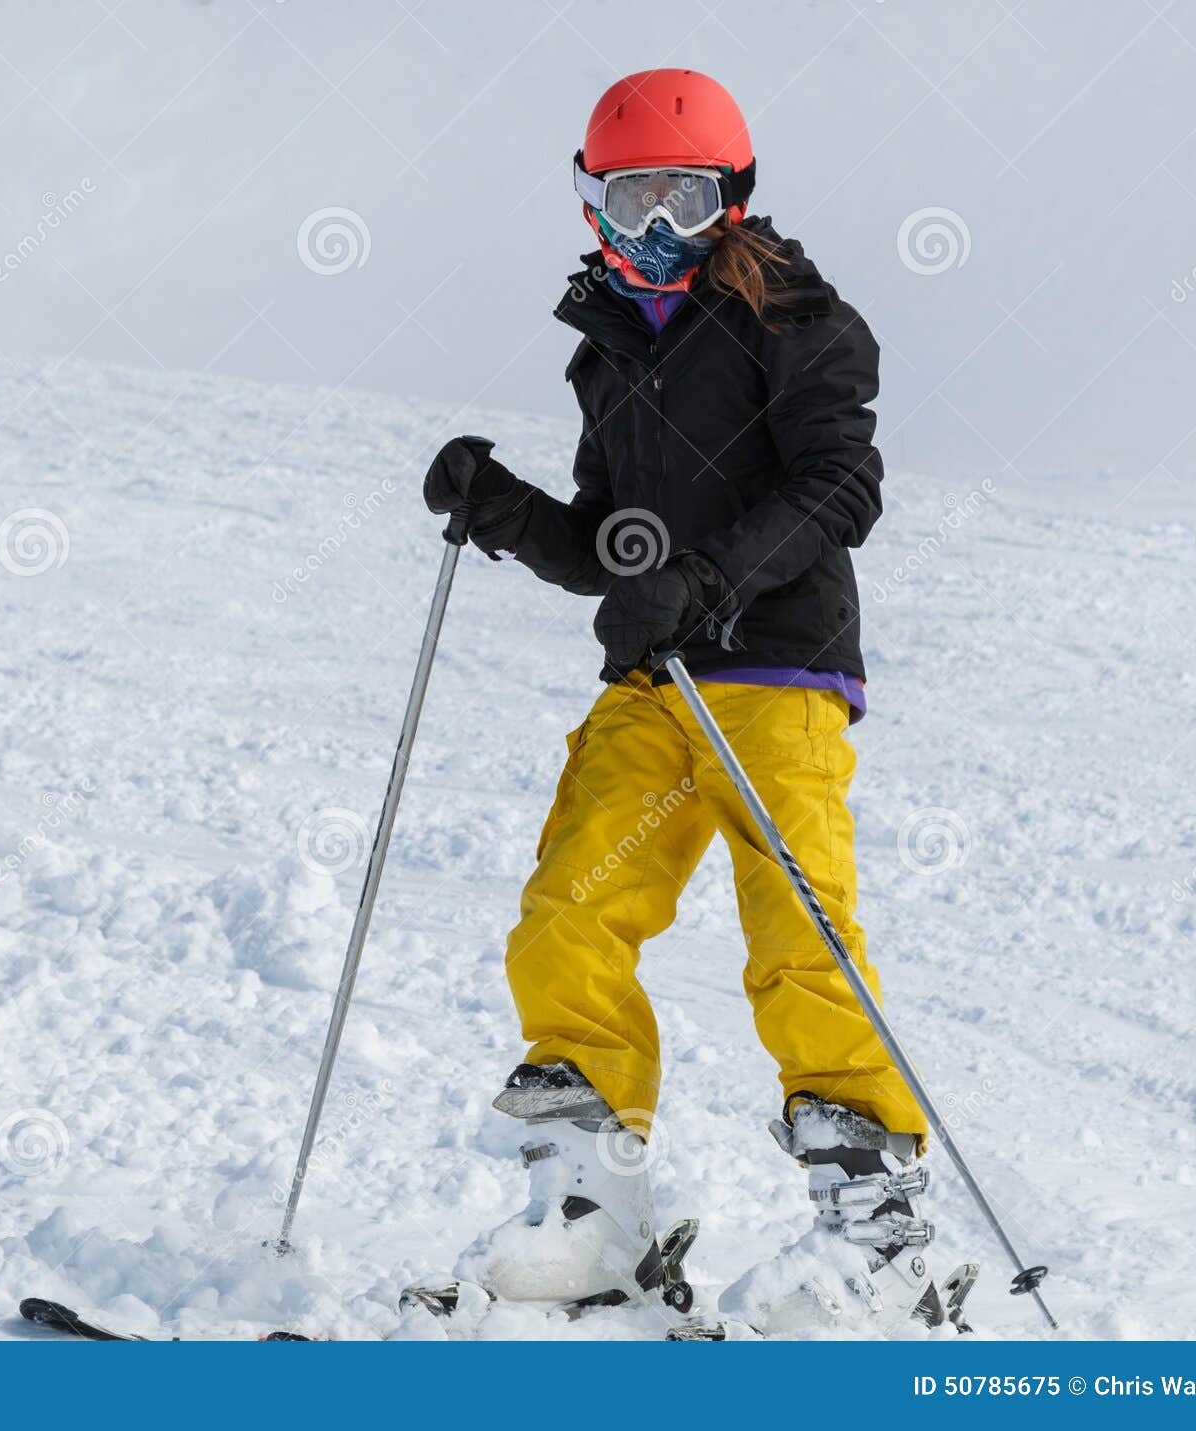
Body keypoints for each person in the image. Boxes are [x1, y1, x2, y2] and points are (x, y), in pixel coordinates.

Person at [421, 69, 943, 1333]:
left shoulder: (802, 321)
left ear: (734, 200)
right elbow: (614, 546)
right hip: (654, 686)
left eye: (685, 196)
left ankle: (877, 1237)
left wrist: (704, 583)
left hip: (773, 671)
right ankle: (591, 1220)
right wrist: (508, 515)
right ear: (593, 203)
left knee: (796, 937)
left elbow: (839, 490)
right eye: (631, 195)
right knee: (566, 914)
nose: (655, 224)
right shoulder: (607, 351)